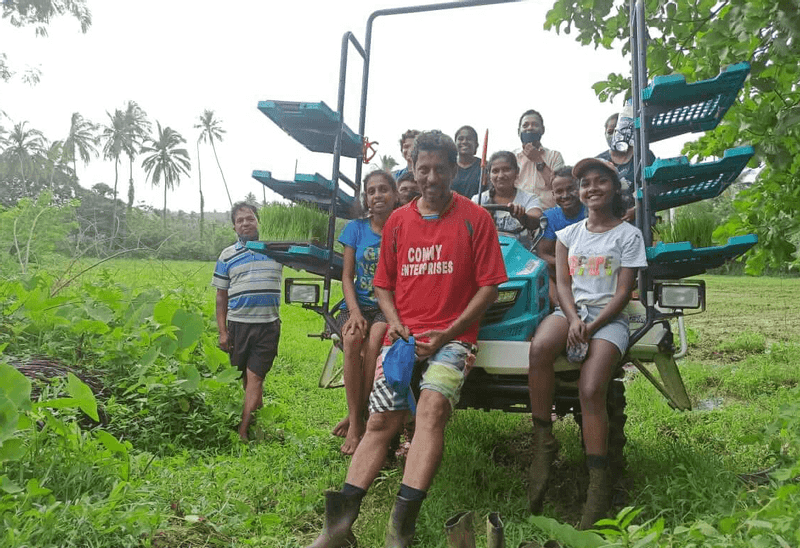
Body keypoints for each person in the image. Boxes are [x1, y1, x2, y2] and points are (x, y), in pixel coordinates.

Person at [308, 131, 508, 548]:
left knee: (432, 409)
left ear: (454, 170)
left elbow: (488, 287)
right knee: (380, 420)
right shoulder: (398, 221)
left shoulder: (476, 219)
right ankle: (339, 526)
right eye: (423, 169)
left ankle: (401, 529)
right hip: (403, 338)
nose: (431, 177)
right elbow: (383, 285)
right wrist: (396, 323)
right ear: (413, 171)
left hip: (454, 340)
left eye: (440, 169)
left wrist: (447, 335)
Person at [525, 158, 647, 529]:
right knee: (540, 348)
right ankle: (544, 440)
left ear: (614, 188)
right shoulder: (568, 235)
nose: (592, 189)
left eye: (600, 182)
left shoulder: (628, 236)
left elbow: (624, 292)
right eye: (585, 184)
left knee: (592, 387)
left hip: (609, 318)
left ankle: (598, 483)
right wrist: (574, 318)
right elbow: (563, 284)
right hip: (571, 313)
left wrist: (592, 325)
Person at [331, 170, 397, 455]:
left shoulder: (402, 226)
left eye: (383, 189)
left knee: (378, 336)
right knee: (351, 339)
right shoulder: (355, 229)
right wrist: (355, 312)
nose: (377, 195)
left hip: (387, 307)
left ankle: (361, 414)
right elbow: (347, 277)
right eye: (371, 191)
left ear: (394, 194)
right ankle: (357, 422)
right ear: (366, 198)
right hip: (357, 305)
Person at [212, 202, 282, 442]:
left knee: (256, 378)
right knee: (248, 379)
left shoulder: (275, 249)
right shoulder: (227, 256)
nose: (245, 223)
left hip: (268, 323)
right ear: (234, 226)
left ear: (258, 221)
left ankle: (242, 432)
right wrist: (222, 331)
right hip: (238, 324)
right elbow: (221, 297)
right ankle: (258, 428)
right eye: (240, 220)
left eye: (250, 218)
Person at [537, 166, 587, 308]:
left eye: (570, 189)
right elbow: (543, 254)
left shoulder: (591, 212)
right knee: (543, 271)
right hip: (562, 269)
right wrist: (567, 263)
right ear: (553, 194)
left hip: (590, 266)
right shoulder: (550, 216)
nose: (565, 195)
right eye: (559, 191)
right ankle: (560, 307)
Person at [472, 150, 543, 249]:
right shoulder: (478, 200)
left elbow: (535, 222)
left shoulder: (529, 198)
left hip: (519, 256)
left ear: (517, 171)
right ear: (489, 174)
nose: (500, 176)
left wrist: (522, 216)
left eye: (506, 170)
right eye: (495, 171)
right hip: (487, 253)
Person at [597, 112, 655, 222]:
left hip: (642, 221)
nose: (614, 135)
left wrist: (638, 210)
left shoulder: (644, 156)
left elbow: (654, 189)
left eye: (618, 131)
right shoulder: (598, 162)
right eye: (610, 132)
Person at [515, 109, 565, 210]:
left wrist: (538, 160)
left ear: (542, 130)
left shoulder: (554, 156)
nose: (530, 128)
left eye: (534, 125)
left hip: (548, 215)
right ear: (518, 131)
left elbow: (560, 187)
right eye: (525, 125)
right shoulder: (512, 158)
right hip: (518, 215)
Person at [451, 125, 482, 199]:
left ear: (476, 145)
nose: (464, 142)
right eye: (461, 139)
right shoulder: (448, 166)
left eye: (469, 139)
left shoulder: (485, 167)